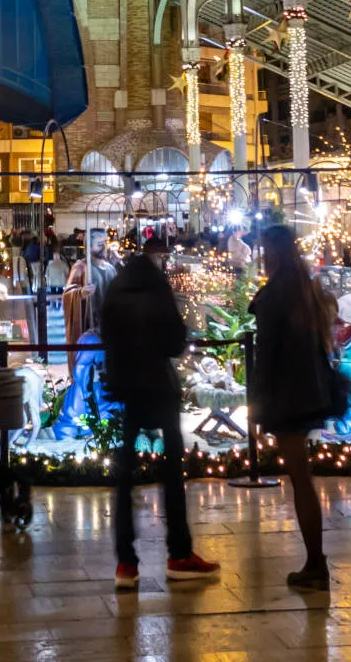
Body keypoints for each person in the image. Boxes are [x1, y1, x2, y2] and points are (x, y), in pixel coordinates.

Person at [101, 235, 218, 588]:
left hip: (129, 388)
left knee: (125, 474)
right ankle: (179, 553)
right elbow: (174, 342)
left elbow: (107, 338)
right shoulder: (158, 290)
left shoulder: (116, 292)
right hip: (160, 388)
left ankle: (126, 562)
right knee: (171, 470)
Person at [248, 225, 348, 593]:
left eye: (265, 251)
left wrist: (258, 409)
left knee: (301, 481)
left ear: (272, 253)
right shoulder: (305, 288)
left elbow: (267, 357)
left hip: (288, 397)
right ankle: (314, 561)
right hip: (309, 392)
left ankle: (316, 563)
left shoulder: (276, 296)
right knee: (302, 478)